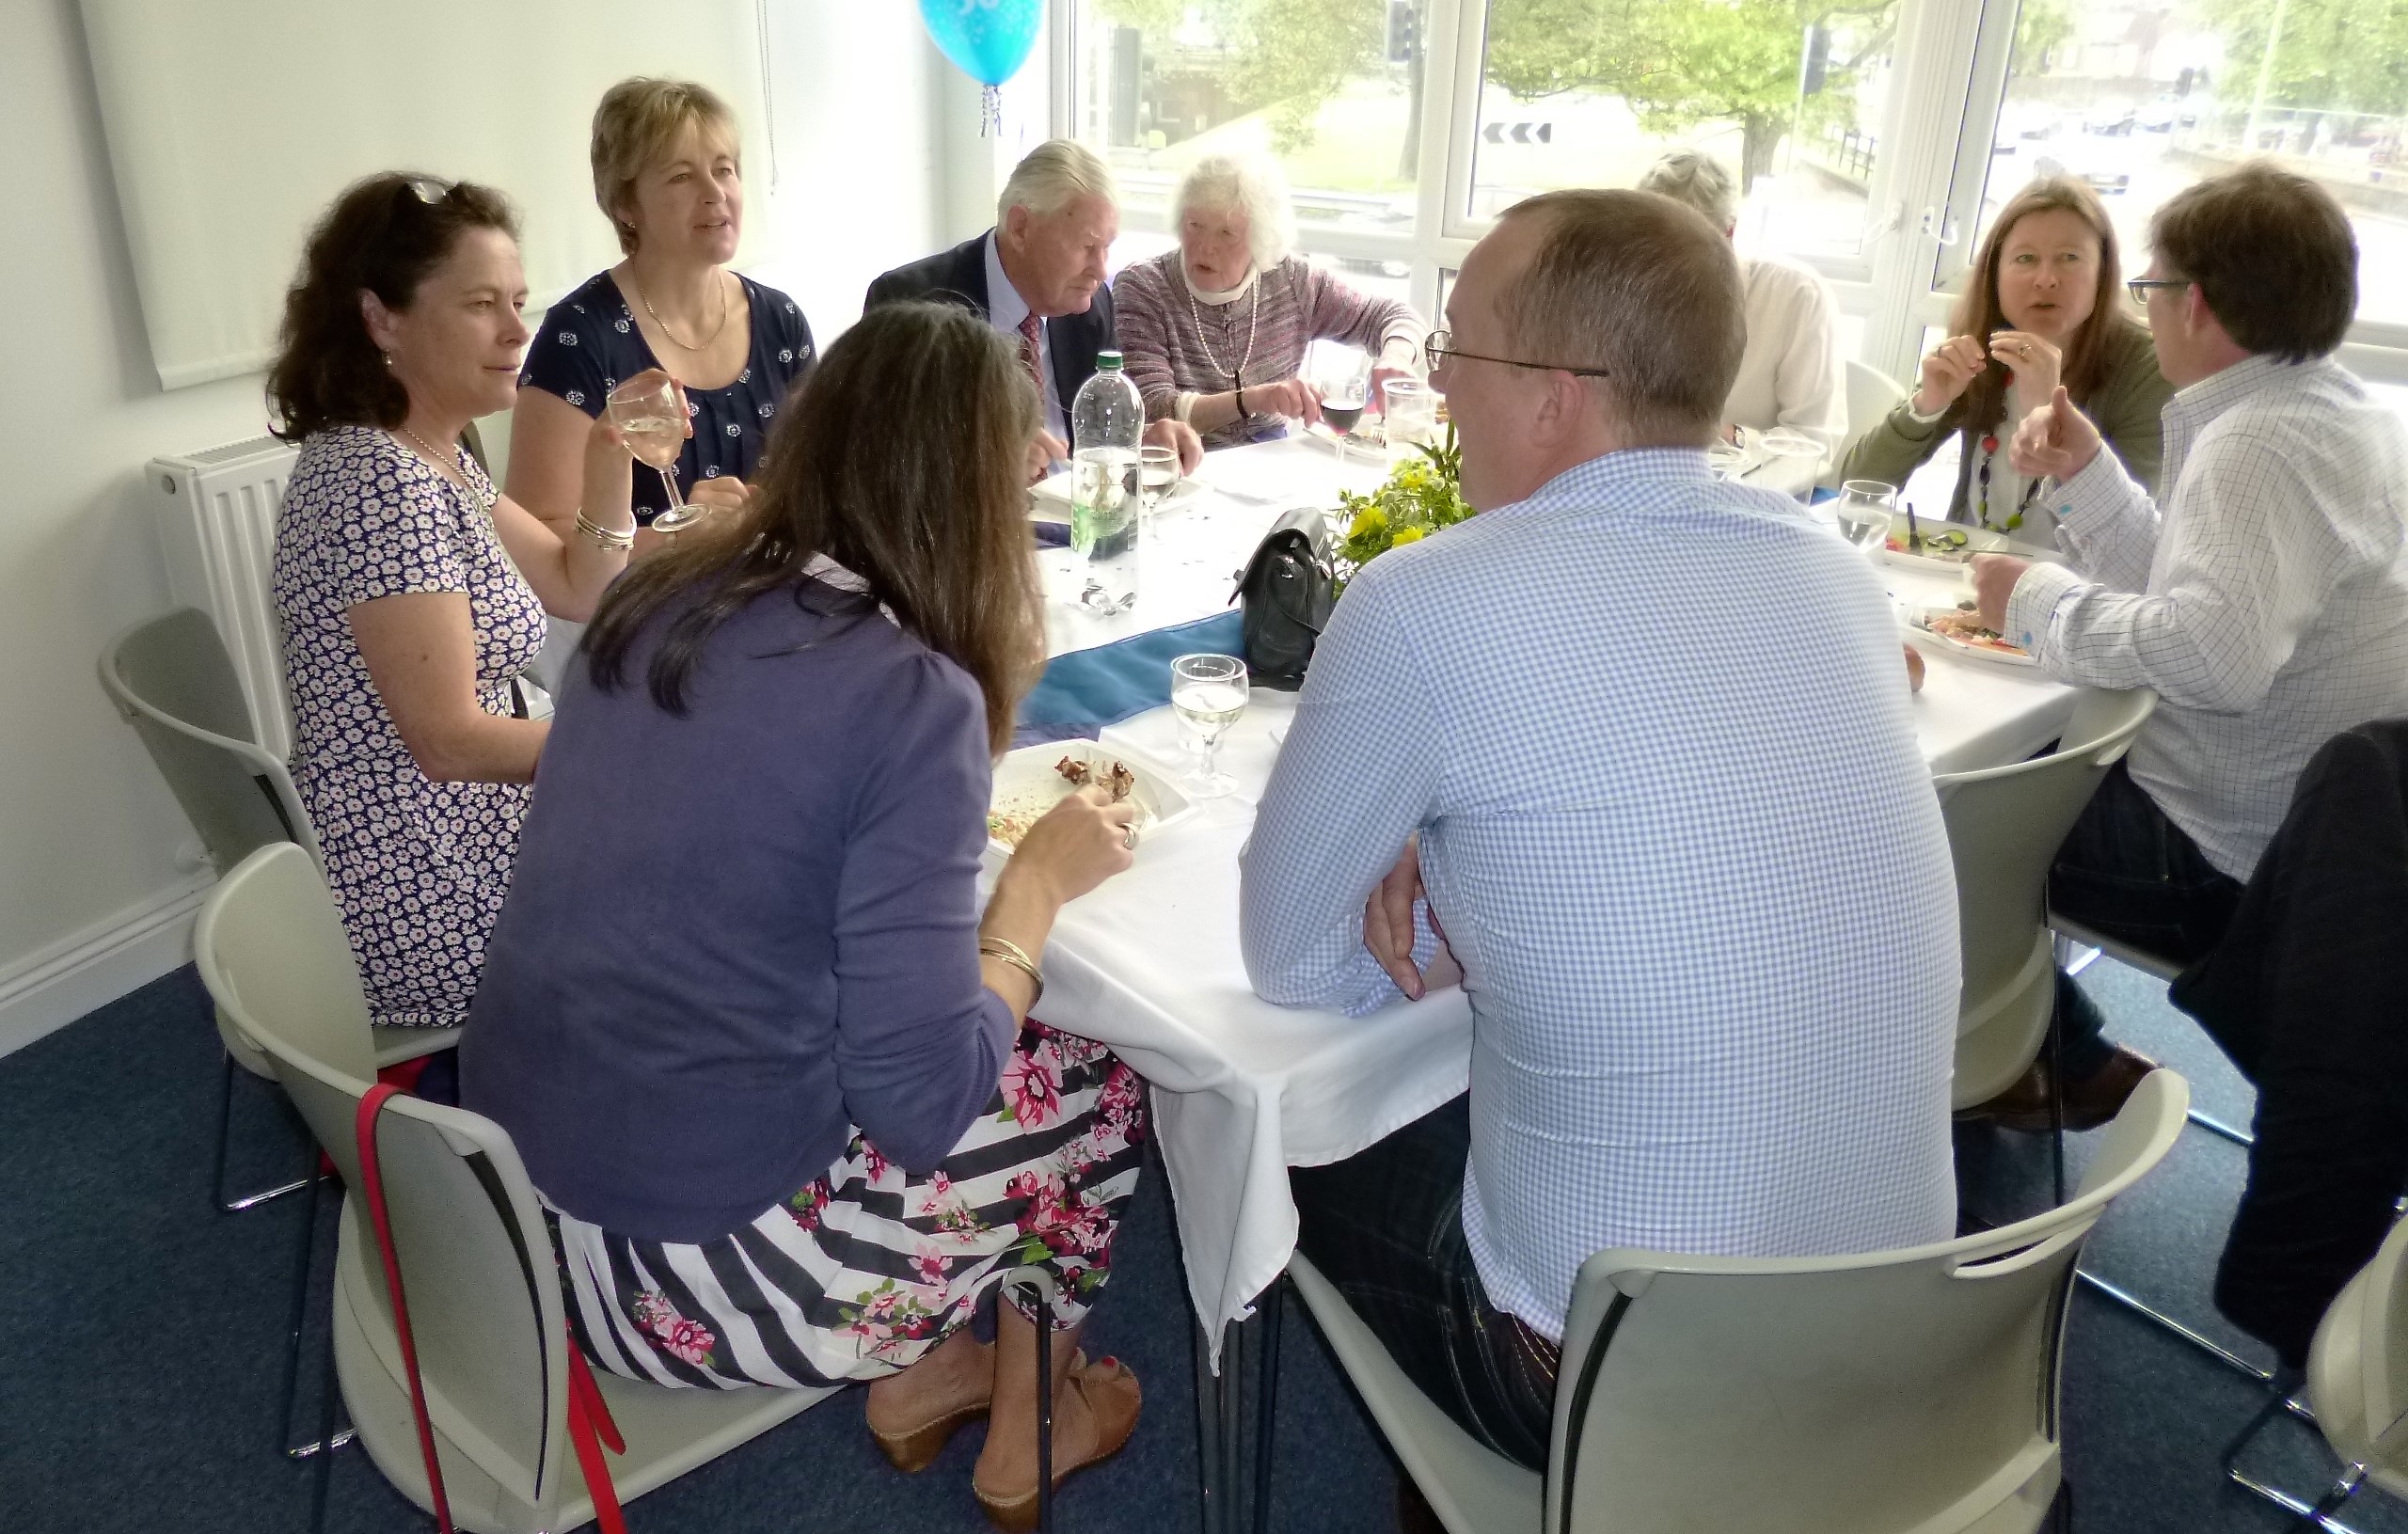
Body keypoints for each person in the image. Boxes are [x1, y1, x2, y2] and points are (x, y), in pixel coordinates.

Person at [1239, 189, 1959, 1477]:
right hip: (1918, 1340)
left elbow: (1296, 964)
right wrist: (1469, 853)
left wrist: (1429, 865)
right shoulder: (1837, 573)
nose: (1438, 383)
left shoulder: (1424, 601)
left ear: (1554, 396)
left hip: (1624, 1388)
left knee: (1279, 1127)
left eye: (1456, 348)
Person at [460, 301, 1149, 1532]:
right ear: (988, 498)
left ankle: (927, 1371)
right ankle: (1029, 1421)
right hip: (689, 1278)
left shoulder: (662, 591)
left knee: (953, 1015)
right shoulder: (913, 696)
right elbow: (920, 1104)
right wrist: (1032, 891)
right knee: (1097, 1070)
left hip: (511, 1206)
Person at [1963, 163, 2408, 1131]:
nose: (2147, 308)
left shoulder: (2255, 443)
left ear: (2194, 302)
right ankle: (2035, 1049)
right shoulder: (2334, 410)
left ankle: (2053, 1060)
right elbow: (2195, 593)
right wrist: (2087, 470)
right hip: (2314, 845)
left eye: (2150, 287)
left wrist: (2033, 599)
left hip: (2213, 858)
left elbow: (2212, 657)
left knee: (1924, 828)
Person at [267, 174, 644, 1031]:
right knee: (710, 884)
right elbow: (450, 744)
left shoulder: (431, 453)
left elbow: (578, 585)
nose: (518, 330)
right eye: (481, 304)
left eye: (518, 302)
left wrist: (609, 461)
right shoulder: (380, 483)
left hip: (447, 831)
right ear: (381, 319)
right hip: (429, 885)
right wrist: (630, 751)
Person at [510, 78, 814, 552]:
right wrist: (676, 542)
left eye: (725, 169)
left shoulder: (781, 320)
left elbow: (820, 481)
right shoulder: (578, 335)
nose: (715, 192)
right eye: (681, 176)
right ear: (625, 205)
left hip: (773, 583)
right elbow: (538, 537)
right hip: (647, 596)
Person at [1839, 176, 2172, 539]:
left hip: (2070, 576)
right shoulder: (1982, 343)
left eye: (2069, 258)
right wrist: (1927, 407)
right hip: (1966, 565)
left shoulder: (2148, 367)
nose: (2046, 279)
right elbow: (1856, 487)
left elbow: (2123, 538)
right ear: (1994, 275)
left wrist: (2049, 413)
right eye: (2025, 258)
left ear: (2103, 274)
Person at [864, 139, 1201, 480]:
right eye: (1087, 246)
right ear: (1020, 228)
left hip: (1072, 506)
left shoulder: (1092, 306)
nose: (1101, 270)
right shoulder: (910, 303)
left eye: (1106, 248)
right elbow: (877, 458)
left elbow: (1100, 436)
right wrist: (980, 461)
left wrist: (1136, 446)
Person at [1112, 153, 1423, 451]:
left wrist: (1395, 358)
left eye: (1226, 233)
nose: (1205, 246)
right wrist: (1254, 399)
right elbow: (1152, 409)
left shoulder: (1291, 281)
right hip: (1183, 470)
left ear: (1260, 237)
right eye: (1195, 225)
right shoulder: (1145, 287)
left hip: (1276, 465)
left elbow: (1392, 316)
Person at [1636, 149, 1846, 457]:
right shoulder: (1618, 293)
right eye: (1647, 246)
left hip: (1752, 481)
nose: (1661, 266)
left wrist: (1722, 436)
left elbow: (1814, 444)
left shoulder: (1797, 297)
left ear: (1728, 234)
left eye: (1681, 249)